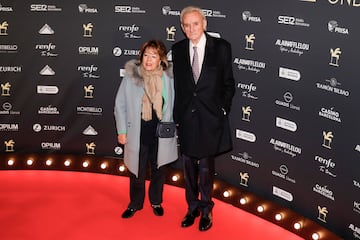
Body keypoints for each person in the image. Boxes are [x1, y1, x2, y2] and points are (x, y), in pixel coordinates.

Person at [172, 6, 235, 231]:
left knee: (207, 167)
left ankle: (206, 210)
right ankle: (192, 207)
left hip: (211, 118)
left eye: (195, 24)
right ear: (182, 27)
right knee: (188, 165)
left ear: (204, 23)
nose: (191, 29)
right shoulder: (177, 49)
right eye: (186, 25)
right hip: (187, 118)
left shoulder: (222, 47)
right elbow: (179, 86)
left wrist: (223, 110)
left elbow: (229, 83)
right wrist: (177, 114)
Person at [114, 40, 178, 219]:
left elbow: (176, 103)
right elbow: (119, 105)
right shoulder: (131, 76)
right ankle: (135, 203)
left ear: (161, 59)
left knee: (159, 171)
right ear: (141, 57)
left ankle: (156, 201)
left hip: (161, 134)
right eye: (146, 55)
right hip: (138, 133)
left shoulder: (169, 78)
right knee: (137, 171)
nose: (149, 60)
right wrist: (122, 131)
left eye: (154, 56)